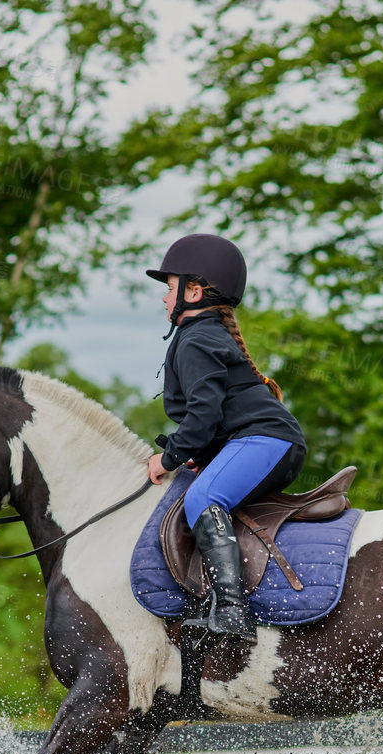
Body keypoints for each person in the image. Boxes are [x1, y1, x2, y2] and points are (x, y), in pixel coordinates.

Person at [145, 233, 306, 643]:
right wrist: (205, 452)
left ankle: (233, 611)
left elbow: (203, 414)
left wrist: (168, 459)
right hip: (259, 441)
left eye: (170, 288)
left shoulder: (198, 337)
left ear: (194, 292)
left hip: (267, 440)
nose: (165, 298)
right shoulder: (200, 334)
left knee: (203, 498)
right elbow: (216, 419)